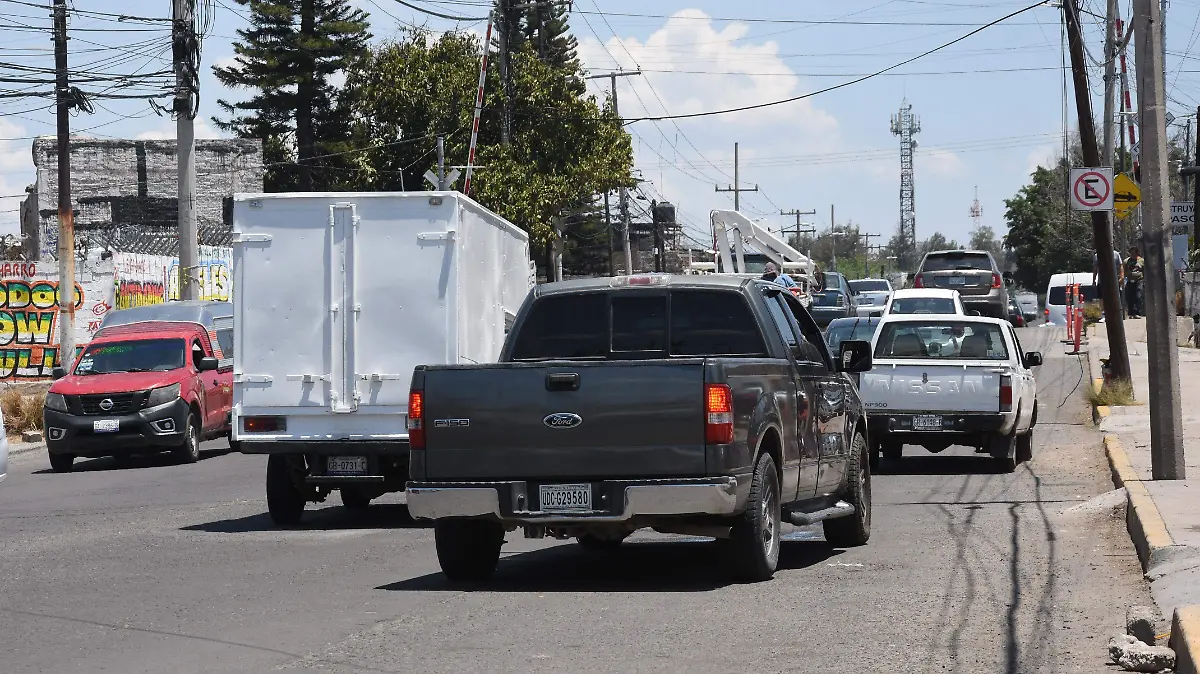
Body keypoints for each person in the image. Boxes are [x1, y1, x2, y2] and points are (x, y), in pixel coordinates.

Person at [1093, 247, 1126, 319]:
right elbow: (1095, 269)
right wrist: (1094, 280)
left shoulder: (1116, 254)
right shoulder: (1096, 255)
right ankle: (1103, 315)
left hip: (1114, 281)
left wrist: (1122, 276)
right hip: (1101, 280)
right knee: (1101, 298)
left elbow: (1121, 266)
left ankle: (1116, 314)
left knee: (1115, 297)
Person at [1125, 246, 1145, 318]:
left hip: (1139, 280)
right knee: (1130, 297)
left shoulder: (1142, 261)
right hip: (1130, 280)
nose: (1133, 254)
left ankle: (1137, 312)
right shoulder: (1126, 261)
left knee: (1138, 296)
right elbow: (1124, 271)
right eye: (1131, 253)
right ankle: (1130, 313)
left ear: (1137, 253)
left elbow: (1144, 271)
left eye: (1134, 252)